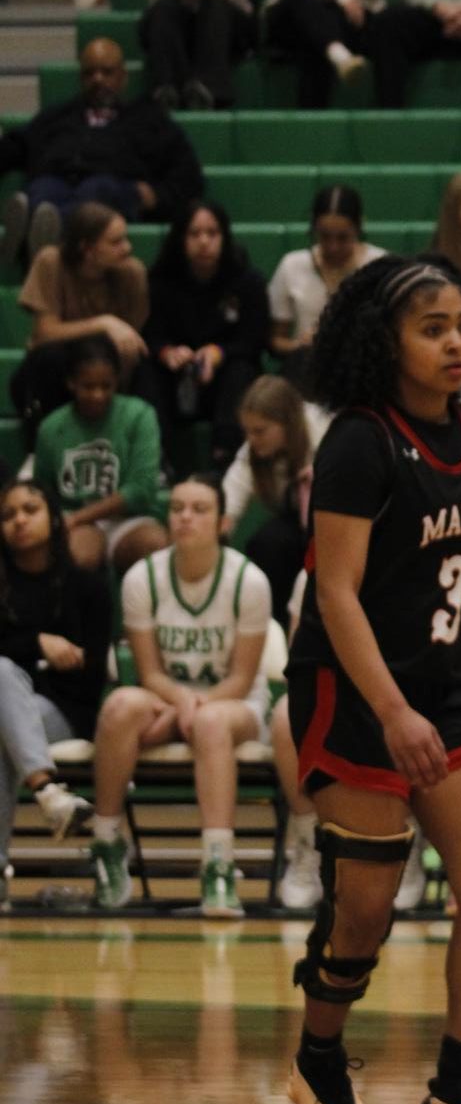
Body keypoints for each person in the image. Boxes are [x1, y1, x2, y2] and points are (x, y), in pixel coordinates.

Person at [282, 252, 461, 1104]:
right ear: (383, 341)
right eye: (431, 328)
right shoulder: (357, 439)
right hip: (353, 691)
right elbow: (337, 595)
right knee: (366, 902)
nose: (454, 342)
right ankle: (318, 1057)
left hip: (440, 686)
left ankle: (460, 1084)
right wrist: (394, 713)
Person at [86, 472, 272, 916]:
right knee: (117, 706)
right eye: (177, 508)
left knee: (209, 722)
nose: (185, 517)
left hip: (236, 706)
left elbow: (242, 680)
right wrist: (181, 706)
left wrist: (188, 712)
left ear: (223, 522)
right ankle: (106, 843)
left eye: (199, 509)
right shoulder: (140, 578)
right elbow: (150, 673)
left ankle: (219, 867)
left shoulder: (248, 581)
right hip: (168, 698)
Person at [0, 478, 112, 908]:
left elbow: (89, 679)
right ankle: (49, 792)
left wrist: (21, 654)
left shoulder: (89, 589)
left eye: (30, 509)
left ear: (54, 518)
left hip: (67, 712)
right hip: (20, 717)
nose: (19, 521)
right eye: (8, 515)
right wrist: (38, 646)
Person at [0, 39, 203, 255]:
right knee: (42, 190)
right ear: (80, 78)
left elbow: (188, 173)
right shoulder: (57, 115)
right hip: (56, 181)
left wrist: (157, 197)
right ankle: (37, 227)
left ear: (123, 77)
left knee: (97, 189)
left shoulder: (148, 119)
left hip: (113, 188)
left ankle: (37, 237)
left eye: (107, 72)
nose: (98, 79)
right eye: (90, 73)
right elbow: (16, 145)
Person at [10, 203, 151, 444]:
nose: (127, 248)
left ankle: (152, 453)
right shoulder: (51, 261)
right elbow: (44, 333)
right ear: (87, 248)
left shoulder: (132, 273)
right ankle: (40, 449)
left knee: (148, 366)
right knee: (48, 359)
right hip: (56, 369)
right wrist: (104, 323)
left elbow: (133, 339)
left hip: (110, 368)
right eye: (115, 242)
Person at [144, 200, 270, 469]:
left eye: (212, 233)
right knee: (146, 370)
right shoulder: (159, 281)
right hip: (174, 377)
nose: (204, 242)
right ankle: (156, 460)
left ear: (224, 237)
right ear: (181, 238)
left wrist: (218, 353)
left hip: (221, 380)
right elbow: (150, 334)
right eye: (194, 234)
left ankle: (224, 458)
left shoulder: (247, 281)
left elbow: (254, 341)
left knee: (242, 369)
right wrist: (167, 352)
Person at [32, 333, 168, 575]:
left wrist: (78, 517)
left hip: (129, 519)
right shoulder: (51, 427)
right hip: (75, 521)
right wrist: (72, 521)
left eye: (106, 386)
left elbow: (141, 489)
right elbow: (44, 489)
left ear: (117, 381)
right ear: (71, 383)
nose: (98, 395)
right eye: (88, 386)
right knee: (79, 557)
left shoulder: (139, 415)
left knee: (155, 546)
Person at [223, 376, 329, 623]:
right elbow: (230, 500)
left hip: (336, 522)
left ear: (288, 424)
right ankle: (274, 627)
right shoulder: (252, 451)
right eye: (247, 431)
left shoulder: (325, 430)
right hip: (298, 523)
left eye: (259, 431)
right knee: (267, 543)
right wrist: (215, 533)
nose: (251, 439)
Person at [267, 185, 385, 389]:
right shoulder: (292, 265)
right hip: (308, 364)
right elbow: (275, 341)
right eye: (324, 236)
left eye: (342, 237)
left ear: (359, 227)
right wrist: (299, 345)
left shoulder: (380, 266)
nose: (333, 247)